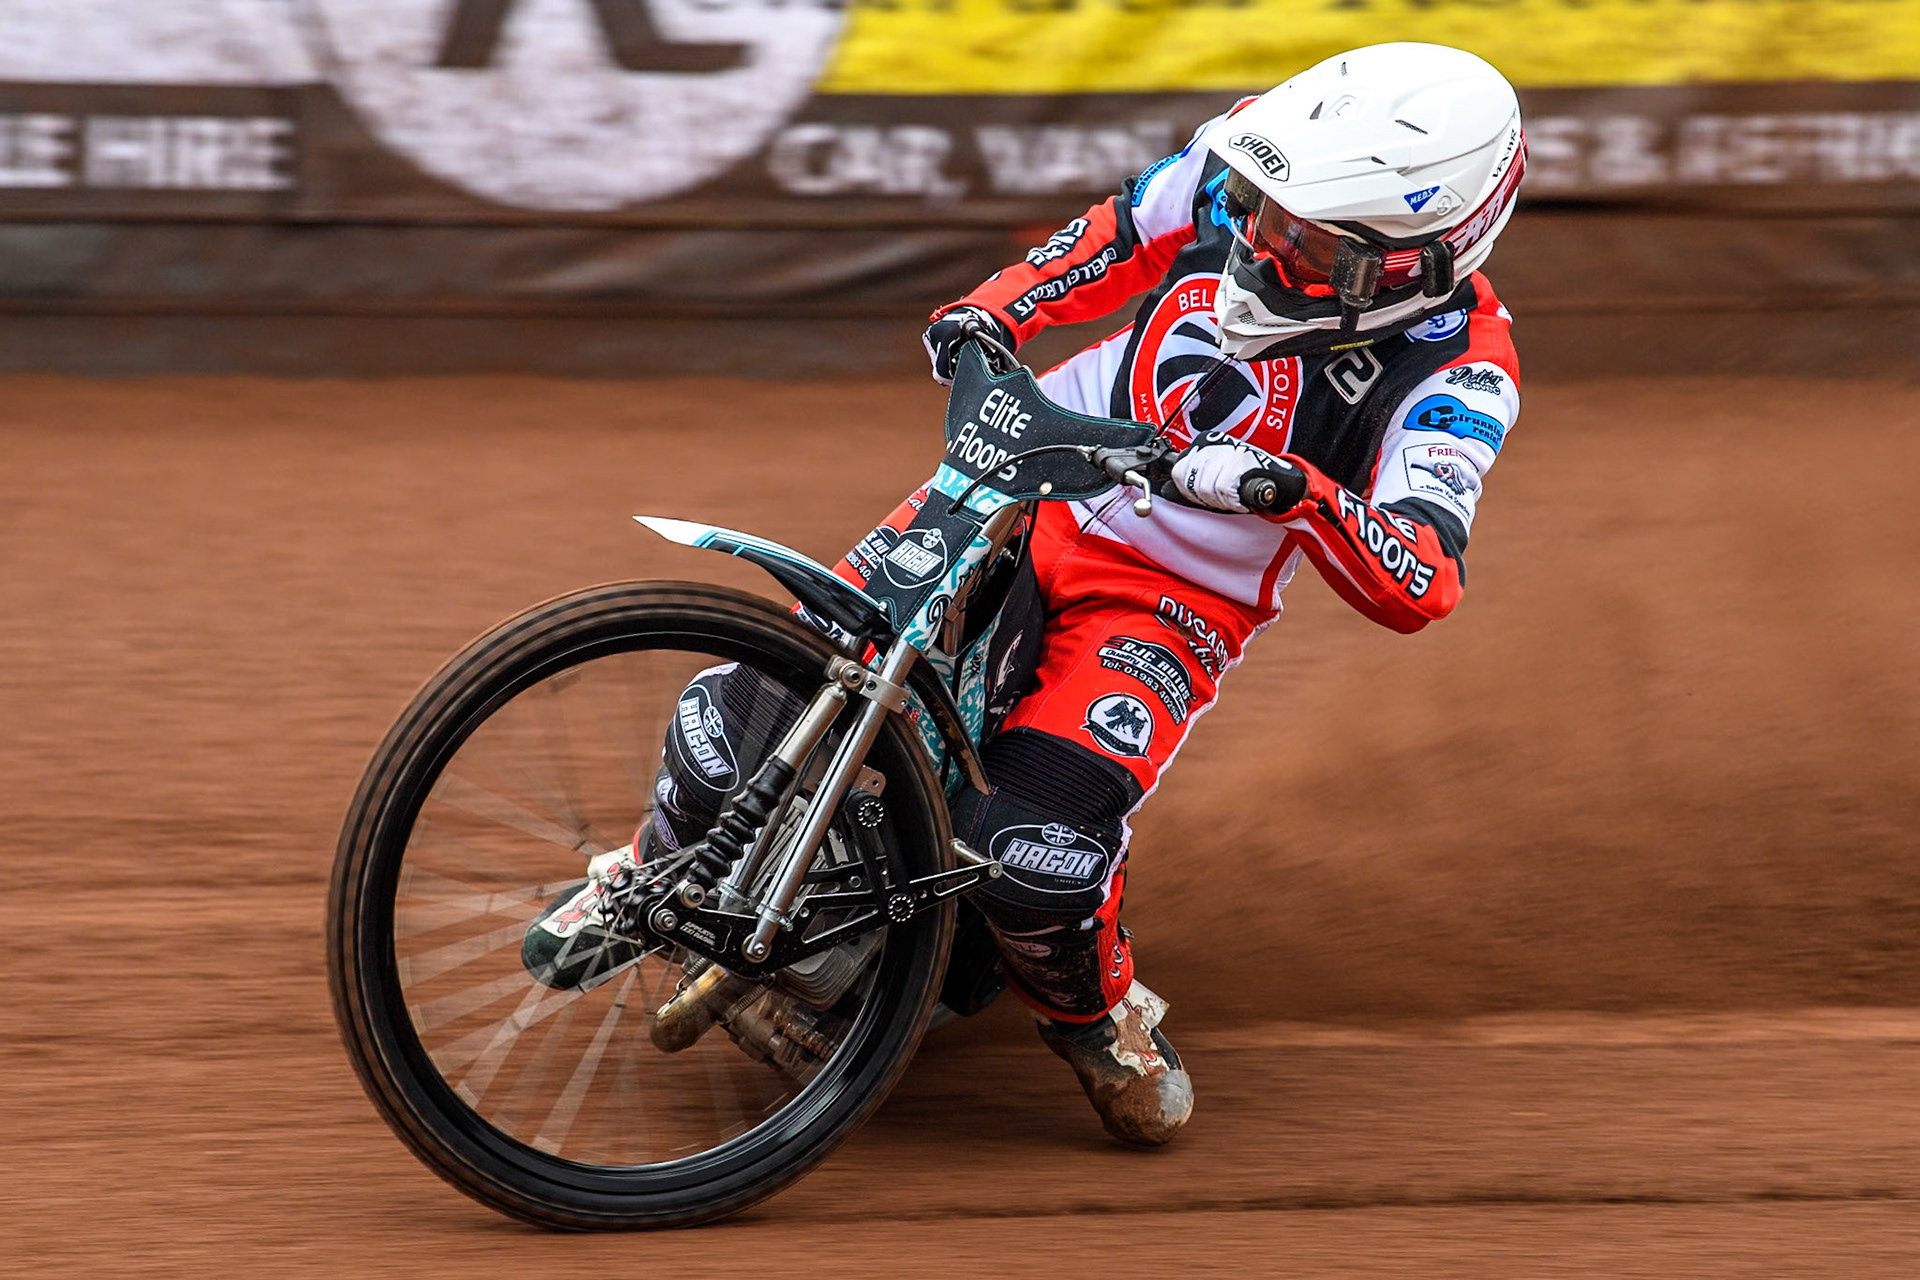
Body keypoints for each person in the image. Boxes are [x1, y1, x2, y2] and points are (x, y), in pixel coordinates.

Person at [527, 41, 1525, 1149]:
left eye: (1311, 241)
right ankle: (653, 865)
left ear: (1420, 261)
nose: (1262, 239)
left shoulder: (1463, 368)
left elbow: (1424, 578)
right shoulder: (1262, 154)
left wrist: (1296, 490)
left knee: (1026, 851)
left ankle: (1099, 1018)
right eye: (1257, 206)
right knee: (758, 703)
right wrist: (993, 315)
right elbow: (1115, 233)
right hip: (1041, 454)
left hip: (1172, 595)